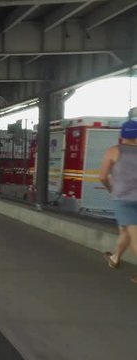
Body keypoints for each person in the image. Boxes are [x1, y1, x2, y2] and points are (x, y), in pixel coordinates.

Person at [101, 110, 137, 283]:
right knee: (126, 230)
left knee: (134, 235)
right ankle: (115, 258)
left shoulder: (113, 151)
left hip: (123, 198)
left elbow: (102, 176)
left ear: (121, 135)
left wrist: (110, 188)